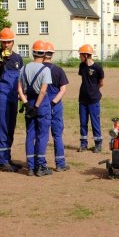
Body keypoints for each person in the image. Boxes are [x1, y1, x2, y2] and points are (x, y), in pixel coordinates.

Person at [0, 28, 24, 171]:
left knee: (10, 127)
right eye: (3, 42)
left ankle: (7, 157)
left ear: (13, 42)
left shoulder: (18, 58)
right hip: (1, 96)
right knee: (2, 127)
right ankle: (2, 161)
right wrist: (0, 61)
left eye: (8, 42)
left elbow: (21, 79)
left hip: (13, 96)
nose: (6, 45)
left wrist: (22, 97)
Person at [17, 40, 53, 176]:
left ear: (33, 53)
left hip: (29, 103)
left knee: (30, 134)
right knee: (42, 136)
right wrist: (37, 106)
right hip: (41, 105)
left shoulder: (23, 68)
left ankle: (31, 167)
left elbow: (19, 89)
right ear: (44, 54)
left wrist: (27, 105)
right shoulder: (46, 70)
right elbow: (43, 91)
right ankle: (41, 166)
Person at [43, 42, 70, 171]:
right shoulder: (58, 70)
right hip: (55, 104)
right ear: (52, 54)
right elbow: (63, 90)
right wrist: (53, 102)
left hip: (41, 103)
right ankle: (60, 164)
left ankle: (40, 163)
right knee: (57, 135)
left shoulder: (37, 69)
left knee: (41, 135)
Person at [77, 44, 105, 153]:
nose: (79, 56)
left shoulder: (98, 67)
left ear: (86, 55)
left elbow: (101, 83)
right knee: (83, 122)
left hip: (94, 100)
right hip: (82, 99)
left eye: (80, 55)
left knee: (95, 122)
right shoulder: (82, 66)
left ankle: (98, 144)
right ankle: (83, 144)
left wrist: (93, 90)